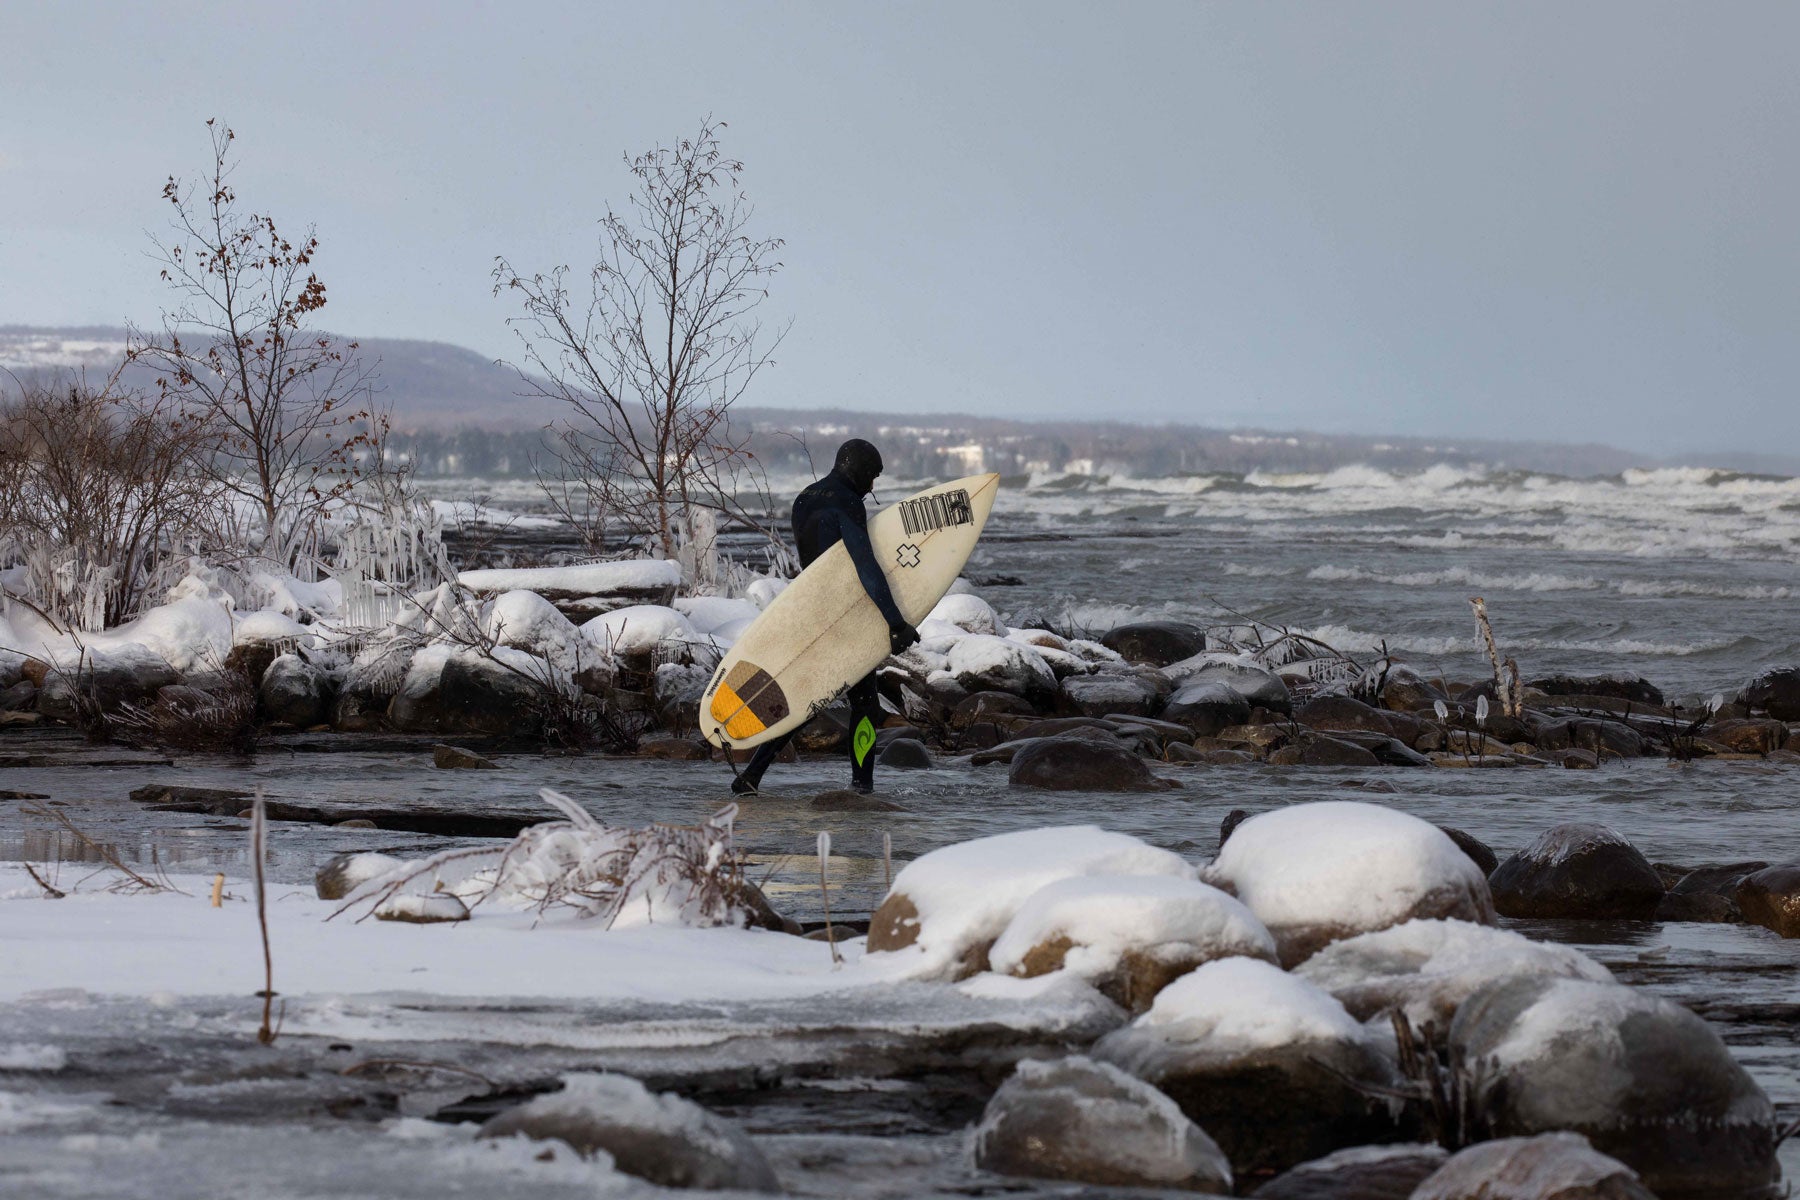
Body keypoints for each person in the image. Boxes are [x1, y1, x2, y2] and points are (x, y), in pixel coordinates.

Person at [731, 438, 920, 795]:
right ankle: (862, 786)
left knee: (805, 697)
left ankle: (752, 774)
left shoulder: (805, 498)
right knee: (864, 702)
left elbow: (817, 563)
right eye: (872, 475)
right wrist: (895, 622)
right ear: (858, 469)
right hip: (843, 616)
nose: (872, 486)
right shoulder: (847, 502)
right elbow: (864, 565)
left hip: (812, 610)